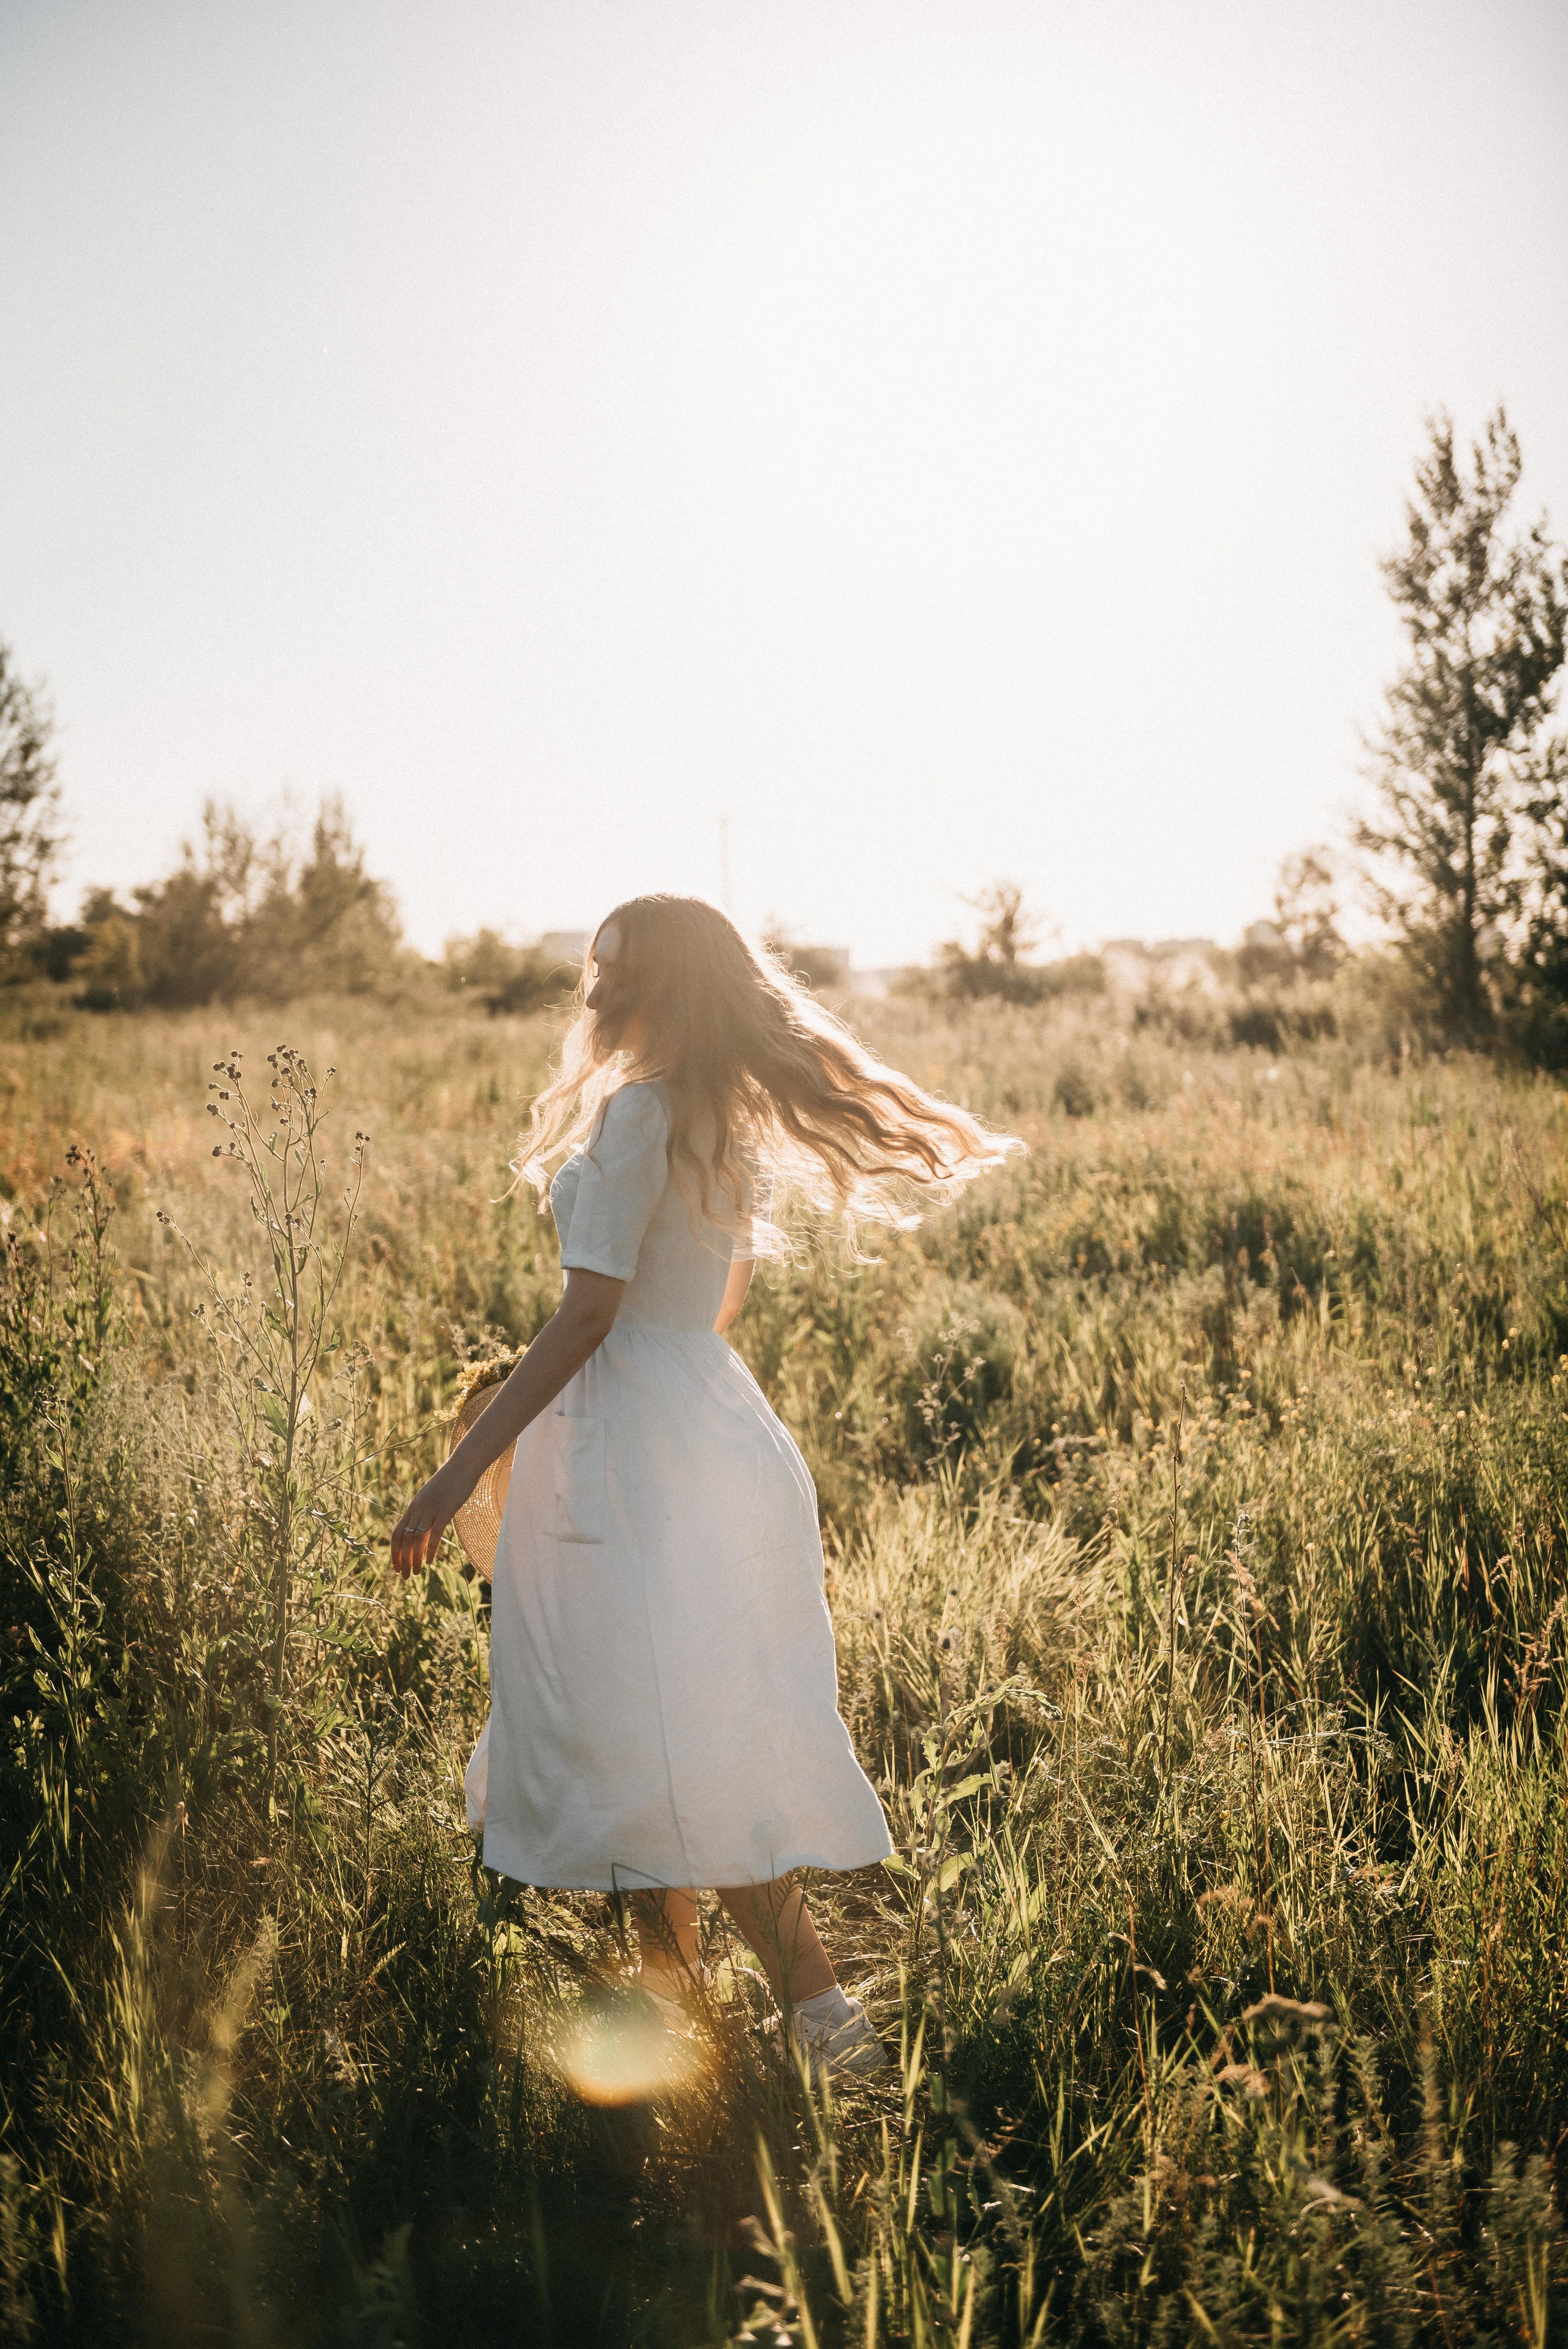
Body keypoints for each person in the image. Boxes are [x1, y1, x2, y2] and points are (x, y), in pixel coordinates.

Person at [391, 895, 1020, 2078]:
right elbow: (715, 1303)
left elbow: (587, 1315)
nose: (594, 996)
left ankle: (793, 2026)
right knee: (687, 1731)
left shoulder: (638, 1114)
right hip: (715, 1429)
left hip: (630, 1458)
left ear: (669, 986)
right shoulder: (714, 1116)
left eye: (616, 975)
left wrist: (458, 1471)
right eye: (593, 971)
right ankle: (744, 2034)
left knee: (641, 1739)